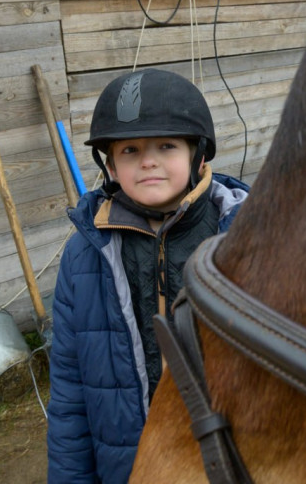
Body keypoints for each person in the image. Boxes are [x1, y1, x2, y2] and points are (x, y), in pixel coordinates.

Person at [46, 68, 249, 483]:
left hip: (233, 461)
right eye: (130, 150)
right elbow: (70, 396)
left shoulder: (247, 240)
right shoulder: (85, 255)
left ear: (199, 155)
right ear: (111, 166)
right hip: (128, 463)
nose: (149, 161)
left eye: (167, 145)